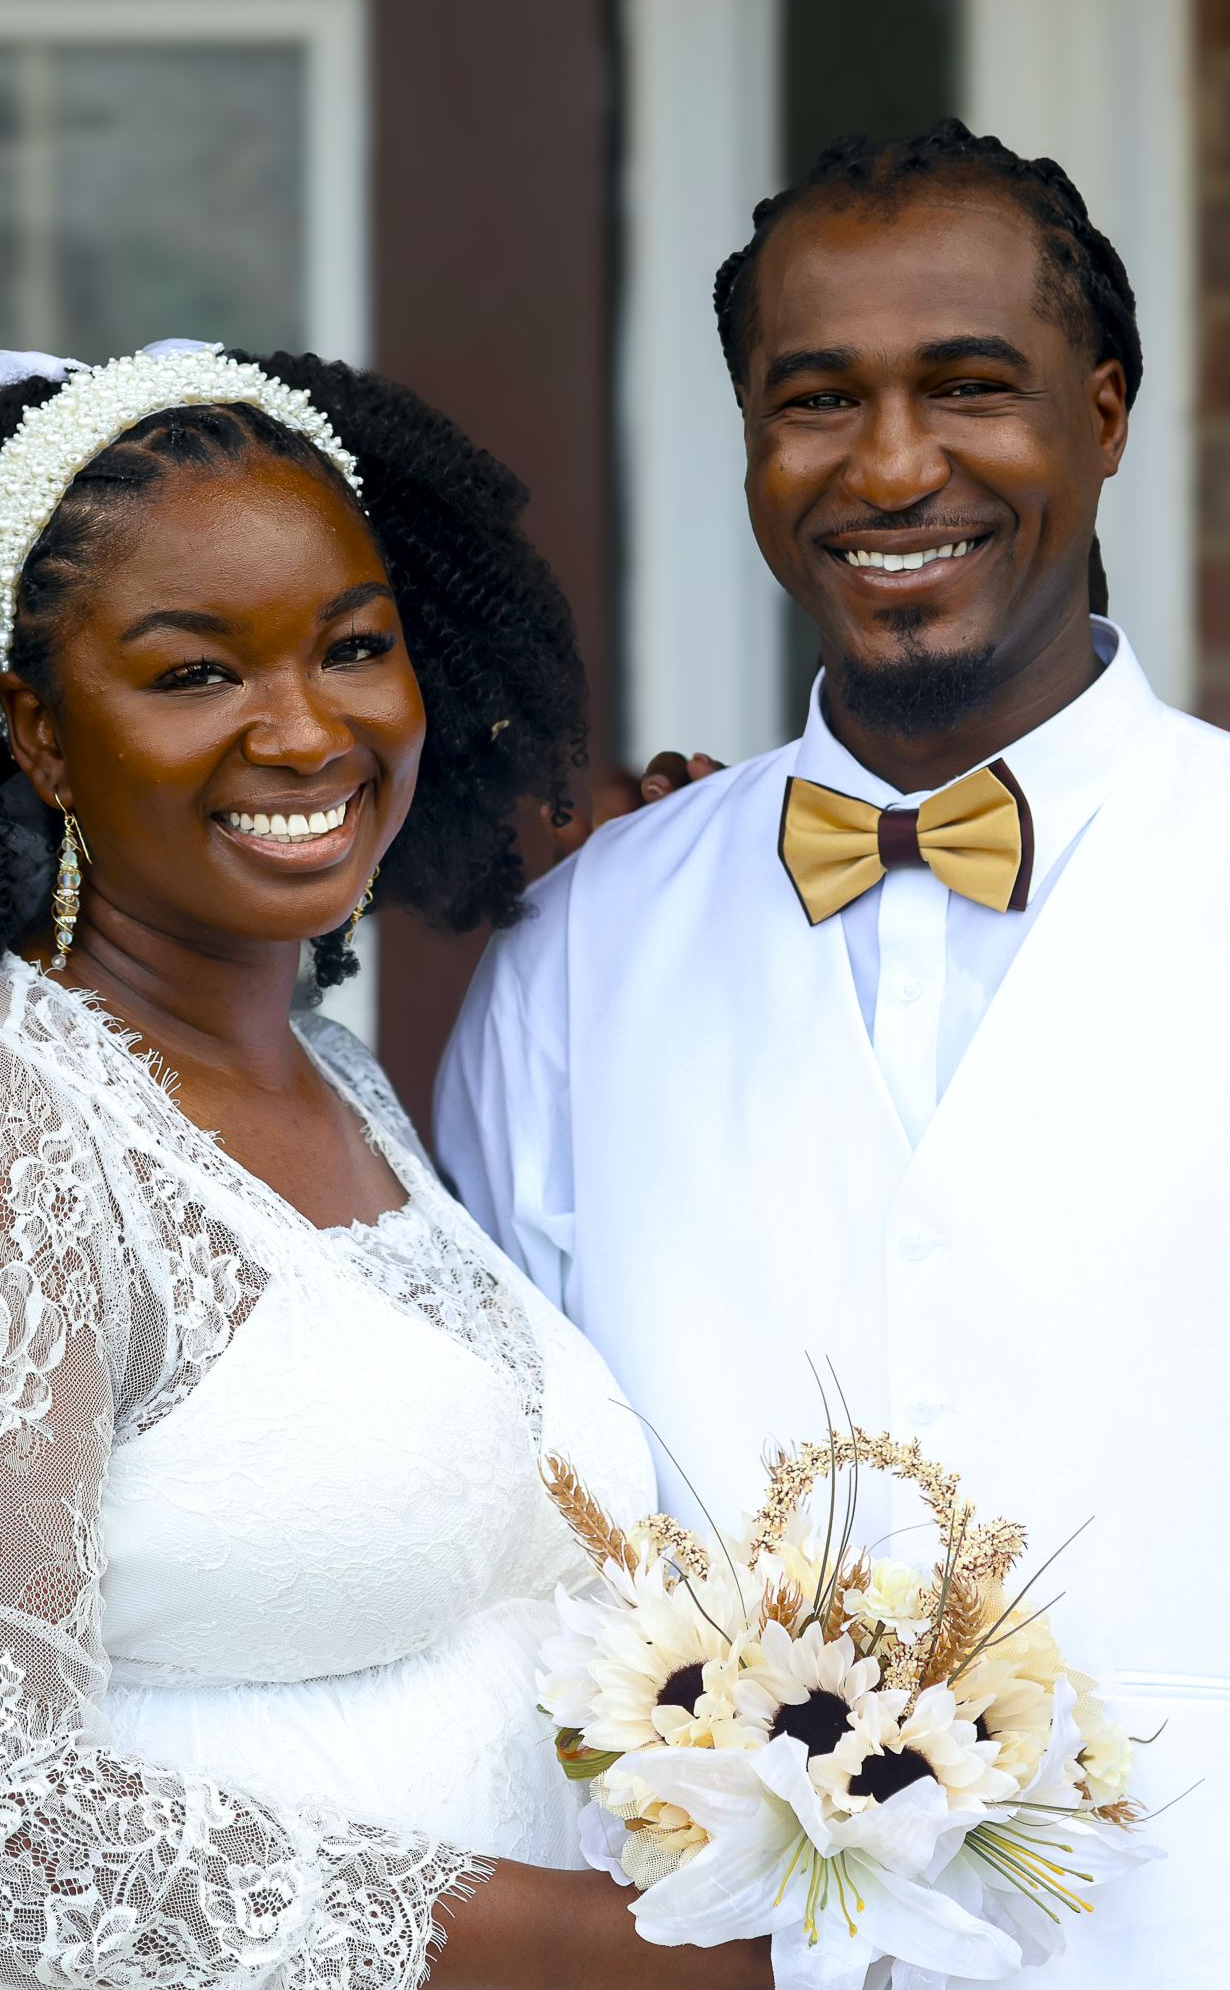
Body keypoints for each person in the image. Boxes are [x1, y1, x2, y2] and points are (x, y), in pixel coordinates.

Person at [0, 343, 774, 1990]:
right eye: (195, 671)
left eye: (354, 649)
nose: (305, 729)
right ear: (40, 734)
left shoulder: (333, 1082)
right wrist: (606, 1955)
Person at [435, 121, 1228, 1984]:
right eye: (814, 399)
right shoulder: (574, 947)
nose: (890, 466)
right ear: (744, 439)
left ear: (1105, 415)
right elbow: (506, 1528)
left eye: (970, 388)